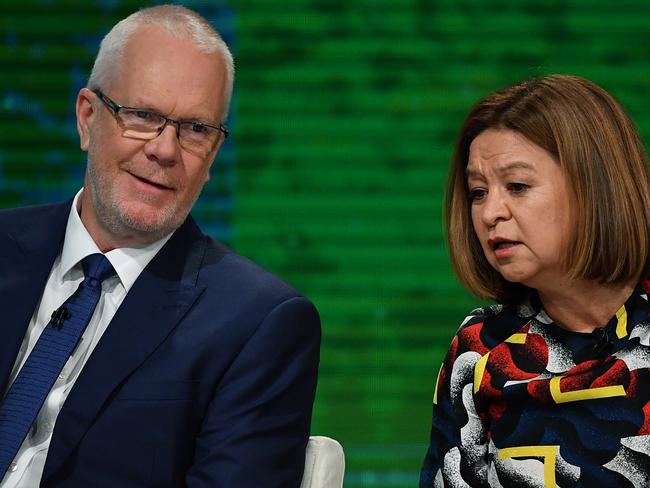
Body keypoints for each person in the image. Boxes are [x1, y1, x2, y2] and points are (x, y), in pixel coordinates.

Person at [0, 5, 320, 487]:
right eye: (144, 116)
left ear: (212, 154)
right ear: (87, 118)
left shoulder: (259, 325)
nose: (165, 150)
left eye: (195, 129)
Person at [420, 75, 650, 487]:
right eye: (477, 192)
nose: (490, 213)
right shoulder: (481, 347)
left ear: (594, 186)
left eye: (517, 186)